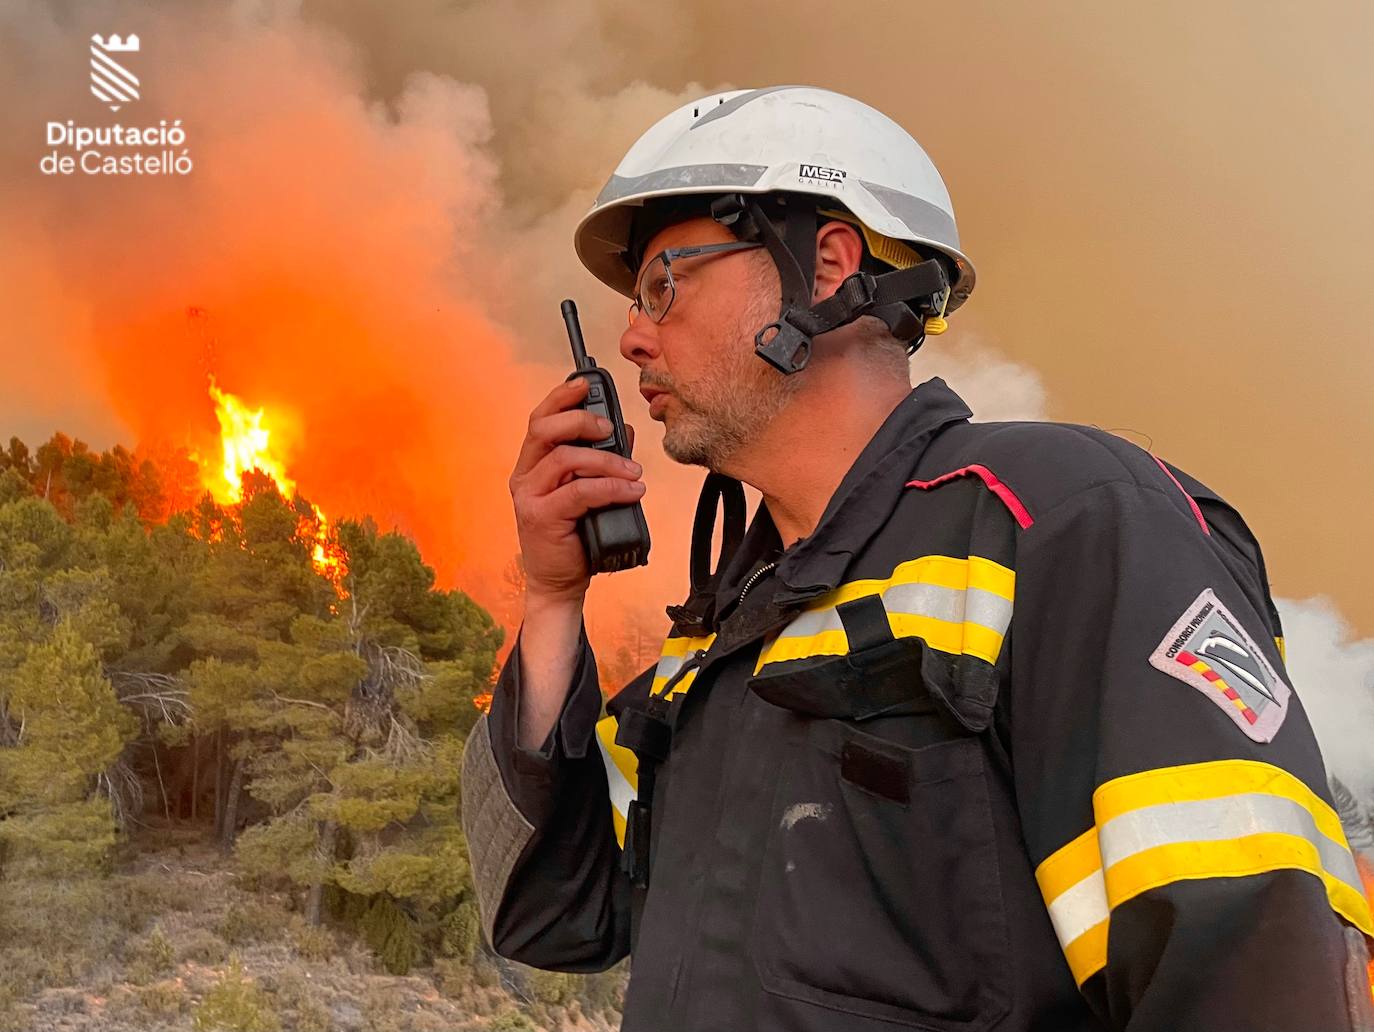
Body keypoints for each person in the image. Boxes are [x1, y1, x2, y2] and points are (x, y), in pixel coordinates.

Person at [461, 86, 1374, 1031]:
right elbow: (554, 908)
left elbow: (1253, 959)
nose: (632, 335)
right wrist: (554, 597)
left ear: (824, 265)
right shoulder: (725, 636)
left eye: (665, 283)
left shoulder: (1063, 524)